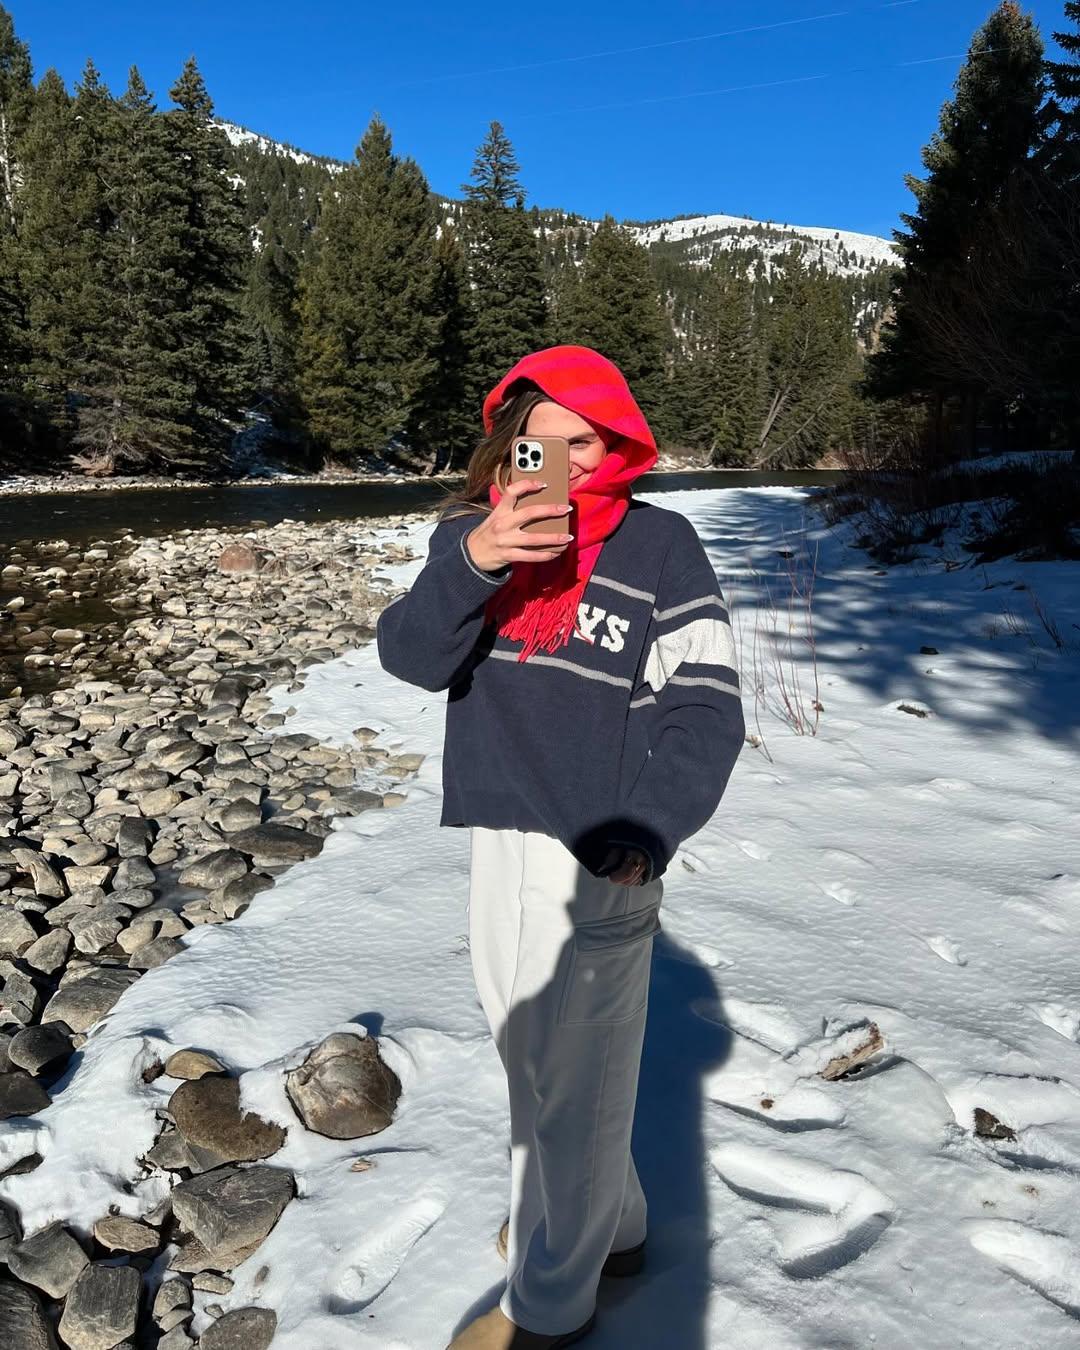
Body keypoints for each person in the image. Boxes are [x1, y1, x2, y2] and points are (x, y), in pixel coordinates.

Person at [376, 344, 745, 1348]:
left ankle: (549, 1305)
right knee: (532, 1059)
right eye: (547, 443)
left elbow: (707, 708)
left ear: (621, 439)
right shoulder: (473, 535)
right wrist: (483, 558)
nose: (570, 466)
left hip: (600, 851)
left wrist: (646, 827)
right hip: (500, 830)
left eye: (589, 441)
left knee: (577, 1086)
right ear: (510, 444)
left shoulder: (660, 545)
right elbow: (412, 659)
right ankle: (608, 1226)